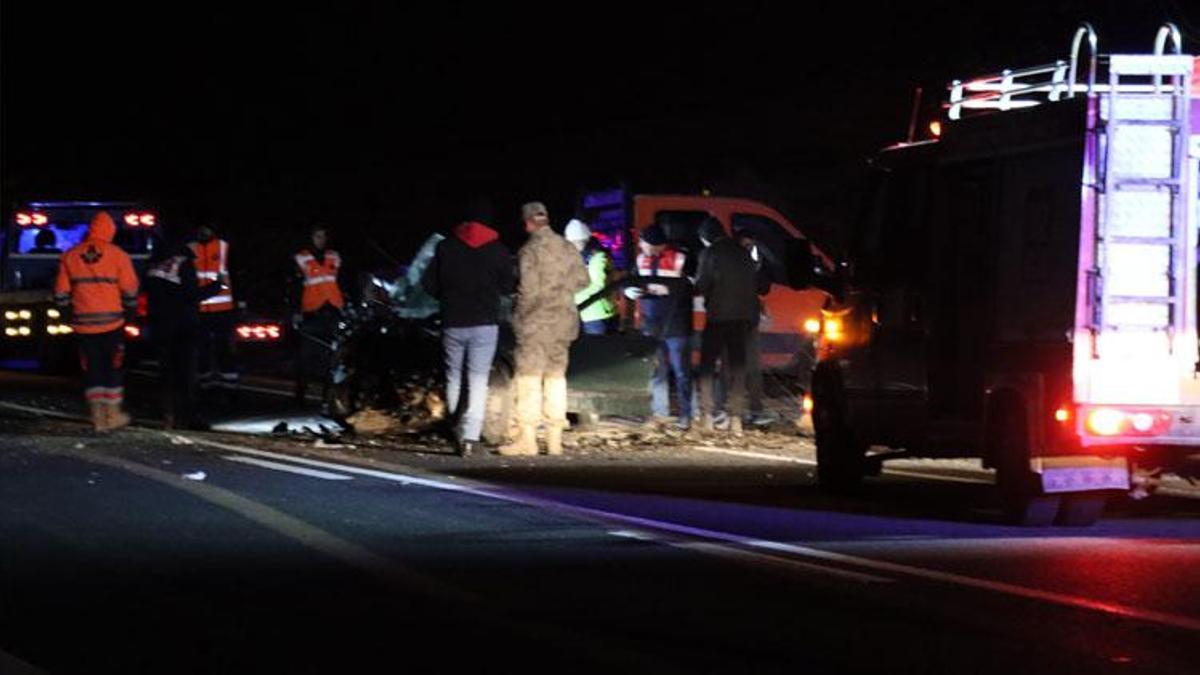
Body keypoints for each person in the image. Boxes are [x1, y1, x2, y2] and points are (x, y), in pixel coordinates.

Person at [499, 201, 589, 456]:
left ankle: (527, 439)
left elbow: (527, 290)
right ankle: (554, 441)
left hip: (536, 325)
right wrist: (561, 291)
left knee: (528, 380)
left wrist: (519, 318)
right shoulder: (567, 247)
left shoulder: (530, 251)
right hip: (563, 324)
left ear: (527, 223)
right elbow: (584, 280)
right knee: (555, 379)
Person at [422, 215, 515, 456]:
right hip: (484, 323)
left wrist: (447, 297)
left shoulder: (445, 247)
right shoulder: (498, 249)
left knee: (453, 376)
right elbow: (508, 285)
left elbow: (428, 282)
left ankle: (456, 428)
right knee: (477, 380)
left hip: (453, 322)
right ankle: (471, 438)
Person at [53, 211, 139, 432]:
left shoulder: (70, 255)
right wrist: (130, 311)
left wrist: (66, 313)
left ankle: (97, 418)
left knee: (91, 369)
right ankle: (113, 415)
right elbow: (130, 288)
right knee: (112, 368)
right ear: (110, 231)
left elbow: (61, 292)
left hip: (83, 323)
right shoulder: (118, 254)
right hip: (112, 323)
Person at [146, 231, 224, 430]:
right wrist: (217, 286)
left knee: (166, 372)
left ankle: (167, 415)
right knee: (186, 373)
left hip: (161, 325)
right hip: (183, 326)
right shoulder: (183, 264)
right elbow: (190, 295)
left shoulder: (154, 264)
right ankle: (189, 416)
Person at [694, 217, 759, 435]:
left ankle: (707, 417)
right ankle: (736, 419)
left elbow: (702, 284)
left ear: (706, 237)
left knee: (707, 367)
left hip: (718, 317)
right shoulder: (743, 252)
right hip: (743, 319)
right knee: (737, 369)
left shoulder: (710, 253)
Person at [625, 223, 693, 429]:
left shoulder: (679, 258)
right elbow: (632, 279)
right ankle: (660, 413)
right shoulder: (640, 259)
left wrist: (671, 290)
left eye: (643, 243)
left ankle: (687, 415)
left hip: (676, 323)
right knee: (656, 370)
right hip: (651, 323)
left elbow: (693, 285)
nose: (640, 246)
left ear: (656, 244)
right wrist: (629, 290)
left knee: (681, 371)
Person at [713, 227, 775, 427]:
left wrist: (760, 266)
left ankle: (755, 411)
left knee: (753, 368)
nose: (747, 249)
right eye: (745, 245)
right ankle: (719, 410)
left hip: (749, 321)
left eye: (751, 246)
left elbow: (763, 288)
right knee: (726, 368)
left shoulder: (754, 264)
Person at [289, 224, 346, 406]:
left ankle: (326, 398)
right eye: (317, 236)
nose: (321, 240)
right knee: (306, 357)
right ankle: (300, 396)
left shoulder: (334, 256)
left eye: (323, 236)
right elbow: (294, 287)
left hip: (333, 312)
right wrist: (295, 311)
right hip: (311, 313)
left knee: (331, 358)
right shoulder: (301, 258)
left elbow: (341, 282)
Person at [189, 223, 240, 402]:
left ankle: (230, 389)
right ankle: (205, 388)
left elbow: (235, 274)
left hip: (223, 310)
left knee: (225, 350)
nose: (204, 231)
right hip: (200, 310)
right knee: (202, 350)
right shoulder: (190, 248)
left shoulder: (223, 247)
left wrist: (239, 302)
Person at [564, 219, 616, 335]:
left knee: (598, 350)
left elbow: (598, 285)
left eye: (576, 242)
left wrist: (572, 295)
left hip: (597, 314)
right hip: (580, 315)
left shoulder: (598, 257)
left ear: (586, 240)